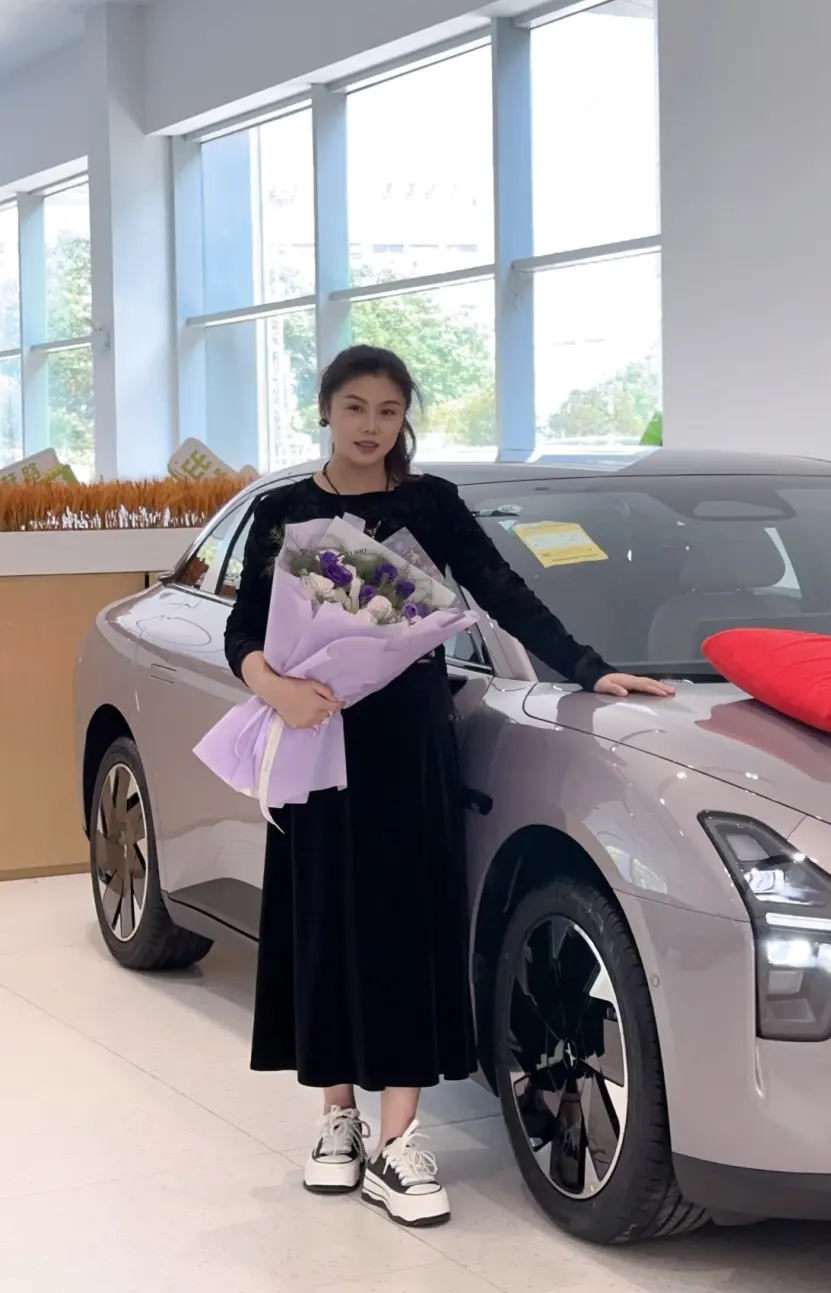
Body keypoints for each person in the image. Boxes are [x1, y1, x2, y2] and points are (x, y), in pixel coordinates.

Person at [224, 344, 672, 1229]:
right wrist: (274, 687)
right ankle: (337, 1119)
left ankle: (399, 1137)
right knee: (324, 919)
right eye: (355, 407)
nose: (370, 425)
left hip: (407, 743)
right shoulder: (284, 511)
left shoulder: (429, 504)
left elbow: (503, 590)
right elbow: (244, 627)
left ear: (404, 418)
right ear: (325, 408)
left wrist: (590, 667)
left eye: (388, 410)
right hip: (315, 732)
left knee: (405, 924)